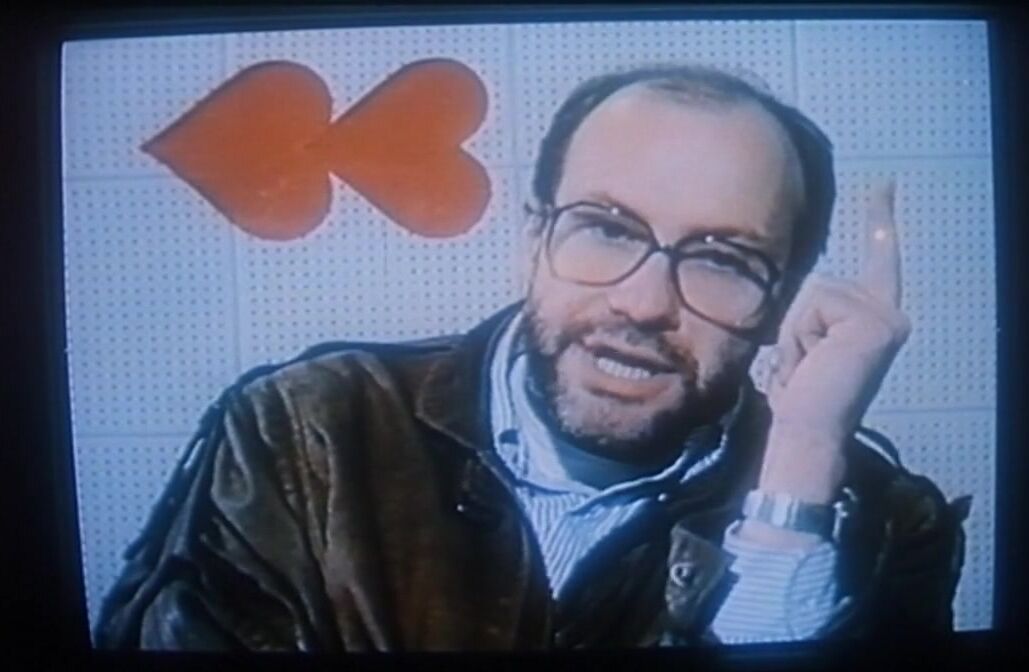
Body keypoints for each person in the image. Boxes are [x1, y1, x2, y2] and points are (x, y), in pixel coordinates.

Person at [95, 64, 969, 651]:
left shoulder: (890, 524)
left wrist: (801, 467)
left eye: (721, 259)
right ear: (531, 242)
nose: (642, 303)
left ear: (780, 303)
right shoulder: (305, 431)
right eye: (606, 228)